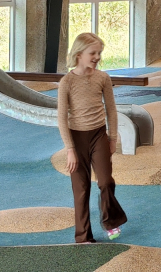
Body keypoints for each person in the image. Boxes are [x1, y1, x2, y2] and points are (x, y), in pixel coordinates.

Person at [58, 32, 127, 244]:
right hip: (76, 138)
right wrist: (70, 149)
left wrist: (112, 138)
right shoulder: (67, 82)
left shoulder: (103, 78)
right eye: (93, 53)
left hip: (99, 135)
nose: (97, 57)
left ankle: (110, 220)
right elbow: (61, 118)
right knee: (81, 189)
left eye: (99, 53)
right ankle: (83, 237)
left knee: (106, 182)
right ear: (79, 54)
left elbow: (111, 110)